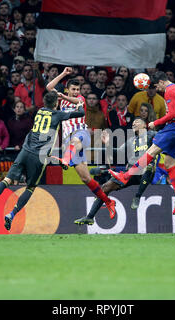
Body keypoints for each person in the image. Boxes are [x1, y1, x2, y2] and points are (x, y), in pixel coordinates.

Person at [0, 91, 86, 230]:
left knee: (7, 180)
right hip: (38, 156)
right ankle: (11, 214)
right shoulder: (58, 114)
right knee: (30, 187)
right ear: (56, 103)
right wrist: (80, 103)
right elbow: (81, 113)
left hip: (25, 150)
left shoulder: (40, 111)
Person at [109, 71, 175, 215]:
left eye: (157, 87)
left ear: (161, 82)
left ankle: (126, 176)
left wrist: (155, 122)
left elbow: (172, 115)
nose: (158, 90)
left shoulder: (169, 91)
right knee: (169, 164)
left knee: (150, 152)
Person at [46, 67, 117, 219]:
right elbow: (49, 87)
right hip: (69, 141)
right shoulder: (61, 100)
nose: (76, 91)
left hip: (81, 134)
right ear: (68, 89)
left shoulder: (80, 100)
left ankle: (65, 159)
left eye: (78, 89)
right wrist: (64, 74)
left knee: (76, 140)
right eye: (73, 89)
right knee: (85, 178)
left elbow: (77, 100)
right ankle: (108, 202)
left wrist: (63, 96)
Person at [74, 118, 157, 225]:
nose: (134, 123)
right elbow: (117, 153)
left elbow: (165, 139)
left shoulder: (152, 134)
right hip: (131, 172)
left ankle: (138, 196)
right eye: (132, 123)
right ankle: (90, 217)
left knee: (149, 165)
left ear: (144, 125)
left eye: (137, 121)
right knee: (105, 187)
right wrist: (108, 143)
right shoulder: (131, 141)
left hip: (147, 171)